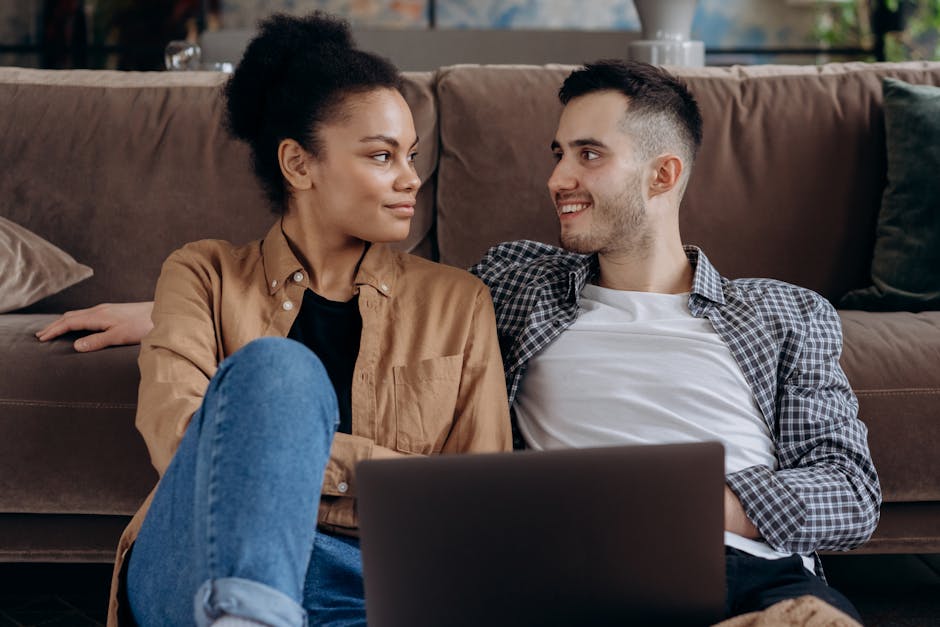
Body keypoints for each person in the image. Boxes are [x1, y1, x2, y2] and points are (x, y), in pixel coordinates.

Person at [38, 61, 879, 622]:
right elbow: (320, 324)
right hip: (580, 573)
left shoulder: (786, 313)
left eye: (588, 155)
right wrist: (175, 315)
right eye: (557, 153)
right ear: (300, 163)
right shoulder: (518, 283)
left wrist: (676, 501)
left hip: (755, 574)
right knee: (277, 367)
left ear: (664, 174)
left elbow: (851, 492)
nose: (556, 177)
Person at [67, 12, 512, 627]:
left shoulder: (459, 303)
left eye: (411, 155)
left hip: (371, 579)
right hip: (205, 563)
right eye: (382, 156)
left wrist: (279, 455)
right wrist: (383, 472)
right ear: (299, 165)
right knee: (280, 370)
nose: (411, 178)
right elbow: (184, 441)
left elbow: (478, 497)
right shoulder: (202, 274)